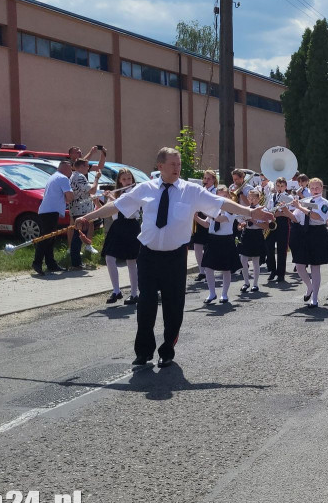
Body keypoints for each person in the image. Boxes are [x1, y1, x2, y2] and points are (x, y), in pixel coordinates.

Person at [74, 147, 273, 367]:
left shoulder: (191, 191)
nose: (177, 168)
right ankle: (143, 352)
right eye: (172, 164)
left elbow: (220, 203)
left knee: (173, 305)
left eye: (178, 164)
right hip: (148, 255)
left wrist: (250, 212)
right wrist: (87, 217)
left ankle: (167, 350)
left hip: (175, 257)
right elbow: (116, 205)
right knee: (146, 305)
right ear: (160, 166)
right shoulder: (146, 188)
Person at [290, 178, 328, 308]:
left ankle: (315, 298)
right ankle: (309, 287)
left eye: (317, 188)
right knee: (299, 265)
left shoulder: (324, 202)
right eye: (312, 188)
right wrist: (285, 210)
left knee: (315, 266)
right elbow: (295, 218)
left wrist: (300, 207)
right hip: (304, 233)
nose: (315, 190)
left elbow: (317, 217)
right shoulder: (305, 201)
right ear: (309, 189)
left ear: (322, 188)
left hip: (317, 233)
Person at [101, 168, 141, 305]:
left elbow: (126, 209)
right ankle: (116, 291)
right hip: (117, 227)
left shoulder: (134, 193)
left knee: (131, 261)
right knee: (109, 257)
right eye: (124, 179)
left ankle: (134, 293)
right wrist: (105, 198)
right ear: (119, 181)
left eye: (129, 179)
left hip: (131, 226)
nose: (127, 181)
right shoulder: (118, 193)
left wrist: (112, 198)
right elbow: (108, 211)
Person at [33, 161, 74, 275]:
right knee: (46, 238)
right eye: (70, 169)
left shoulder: (54, 176)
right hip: (50, 212)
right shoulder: (63, 178)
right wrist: (70, 197)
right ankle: (37, 263)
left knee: (50, 239)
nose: (71, 172)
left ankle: (51, 264)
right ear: (65, 168)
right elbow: (70, 197)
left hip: (47, 211)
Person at [201, 185, 239, 305]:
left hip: (225, 240)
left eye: (225, 196)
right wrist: (195, 216)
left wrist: (205, 210)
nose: (222, 199)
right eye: (219, 196)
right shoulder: (213, 210)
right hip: (212, 239)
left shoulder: (231, 211)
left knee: (226, 269)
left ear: (229, 197)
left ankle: (224, 294)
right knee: (208, 268)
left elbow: (220, 219)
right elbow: (206, 224)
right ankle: (212, 293)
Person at [67, 159, 101, 270]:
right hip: (80, 211)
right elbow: (92, 190)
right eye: (87, 166)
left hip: (79, 209)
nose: (88, 168)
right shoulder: (79, 177)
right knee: (79, 236)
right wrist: (96, 178)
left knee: (79, 235)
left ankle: (76, 261)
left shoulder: (74, 176)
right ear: (81, 166)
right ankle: (76, 263)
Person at [237, 188, 269, 293]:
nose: (252, 200)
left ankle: (255, 284)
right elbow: (239, 225)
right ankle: (246, 282)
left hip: (257, 234)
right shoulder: (245, 209)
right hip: (247, 234)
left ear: (259, 199)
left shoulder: (263, 210)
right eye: (250, 198)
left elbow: (266, 226)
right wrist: (241, 226)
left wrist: (253, 220)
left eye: (254, 198)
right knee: (243, 260)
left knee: (256, 261)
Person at [191, 170, 218, 282]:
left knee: (209, 248)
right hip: (199, 216)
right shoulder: (201, 190)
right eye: (205, 178)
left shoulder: (215, 191)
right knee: (197, 246)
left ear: (213, 180)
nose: (206, 181)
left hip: (210, 217)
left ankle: (209, 271)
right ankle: (201, 271)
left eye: (208, 179)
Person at [265, 177, 292, 283]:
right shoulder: (271, 196)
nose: (279, 188)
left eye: (282, 186)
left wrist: (279, 213)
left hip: (283, 224)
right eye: (278, 186)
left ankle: (281, 274)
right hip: (272, 222)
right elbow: (267, 208)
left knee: (282, 250)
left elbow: (291, 213)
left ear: (285, 187)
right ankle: (272, 270)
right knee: (269, 247)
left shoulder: (289, 197)